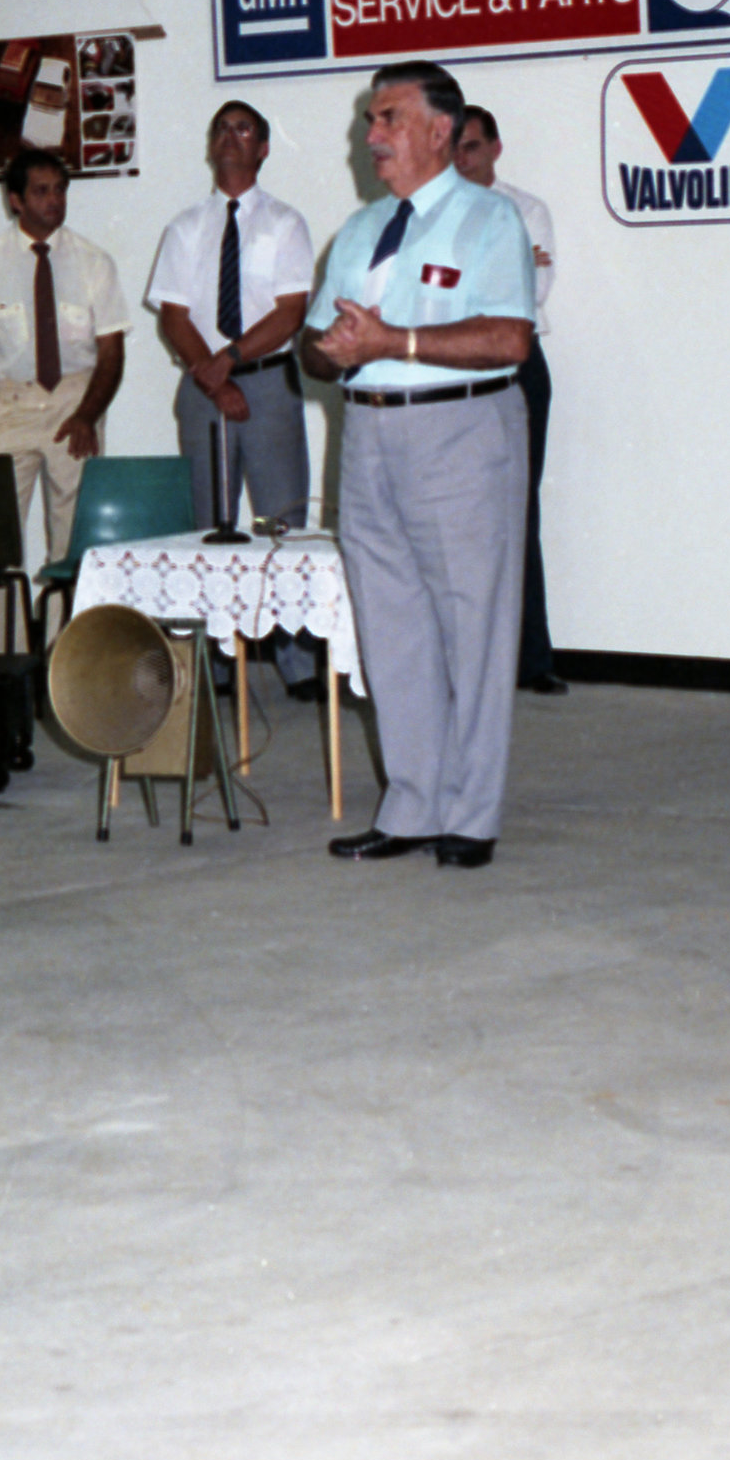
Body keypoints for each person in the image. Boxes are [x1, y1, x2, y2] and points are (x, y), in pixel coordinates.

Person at [301, 62, 537, 869]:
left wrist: (391, 341)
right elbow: (315, 347)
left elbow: (508, 338)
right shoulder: (360, 231)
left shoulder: (490, 220)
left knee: (474, 627)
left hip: (460, 431)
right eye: (371, 119)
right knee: (390, 627)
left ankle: (470, 814)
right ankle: (411, 805)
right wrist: (332, 351)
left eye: (389, 118)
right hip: (367, 432)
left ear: (441, 130)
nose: (371, 135)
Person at [145, 100, 318, 695]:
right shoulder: (185, 227)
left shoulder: (286, 223)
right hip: (203, 387)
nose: (229, 136)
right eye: (221, 127)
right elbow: (173, 315)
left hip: (268, 383)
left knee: (281, 522)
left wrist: (231, 361)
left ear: (263, 148)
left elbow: (290, 312)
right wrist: (214, 377)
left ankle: (296, 662)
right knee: (209, 526)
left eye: (242, 128)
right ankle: (216, 661)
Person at [0, 146, 128, 647]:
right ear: (15, 200)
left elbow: (112, 352)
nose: (53, 201)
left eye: (60, 190)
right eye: (41, 192)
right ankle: (4, 657)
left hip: (76, 402)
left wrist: (88, 415)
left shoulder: (93, 262)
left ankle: (64, 657)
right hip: (11, 407)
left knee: (73, 540)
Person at [453, 104, 565, 695]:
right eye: (454, 146)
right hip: (451, 366)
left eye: (472, 146)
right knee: (454, 511)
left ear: (495, 149)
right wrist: (506, 265)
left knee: (518, 508)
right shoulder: (432, 211)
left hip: (517, 365)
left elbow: (531, 291)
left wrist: (473, 279)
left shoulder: (528, 210)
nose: (462, 158)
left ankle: (530, 659)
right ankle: (465, 659)